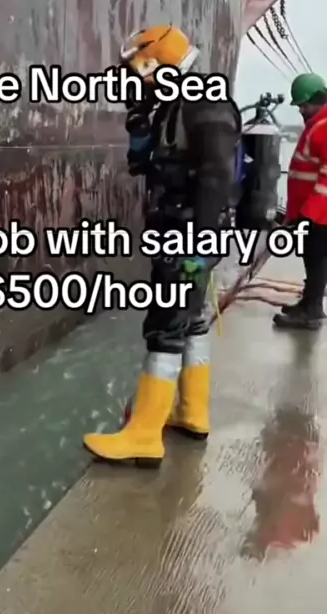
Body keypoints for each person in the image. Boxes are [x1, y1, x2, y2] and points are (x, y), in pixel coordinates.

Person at [83, 25, 242, 467]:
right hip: (179, 229)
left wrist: (200, 242)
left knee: (165, 325)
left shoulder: (205, 104)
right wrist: (138, 120)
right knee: (192, 322)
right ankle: (192, 412)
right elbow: (141, 164)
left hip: (188, 234)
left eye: (140, 70)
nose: (137, 79)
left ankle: (144, 435)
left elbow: (216, 176)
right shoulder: (174, 104)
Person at [274, 72, 327, 330]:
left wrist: (309, 213)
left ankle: (312, 312)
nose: (301, 110)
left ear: (317, 99)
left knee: (317, 259)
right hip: (312, 211)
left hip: (320, 214)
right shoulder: (317, 123)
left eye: (304, 105)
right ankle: (309, 304)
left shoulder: (324, 126)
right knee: (311, 257)